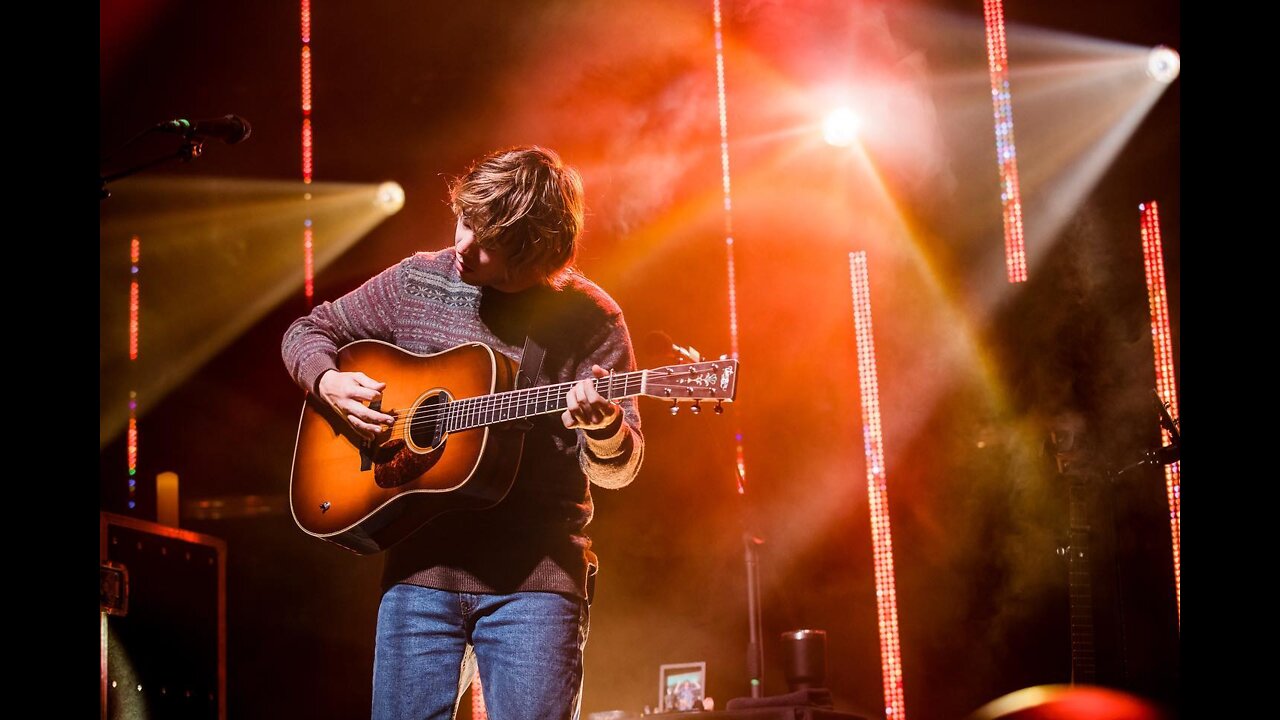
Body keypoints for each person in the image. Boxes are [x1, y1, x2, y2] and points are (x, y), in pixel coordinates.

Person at [281, 146, 644, 719]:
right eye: (465, 222)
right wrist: (326, 381)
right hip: (421, 571)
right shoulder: (419, 280)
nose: (461, 245)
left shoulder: (591, 318)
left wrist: (605, 431)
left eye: (487, 242)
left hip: (536, 582)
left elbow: (617, 469)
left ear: (535, 257)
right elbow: (310, 328)